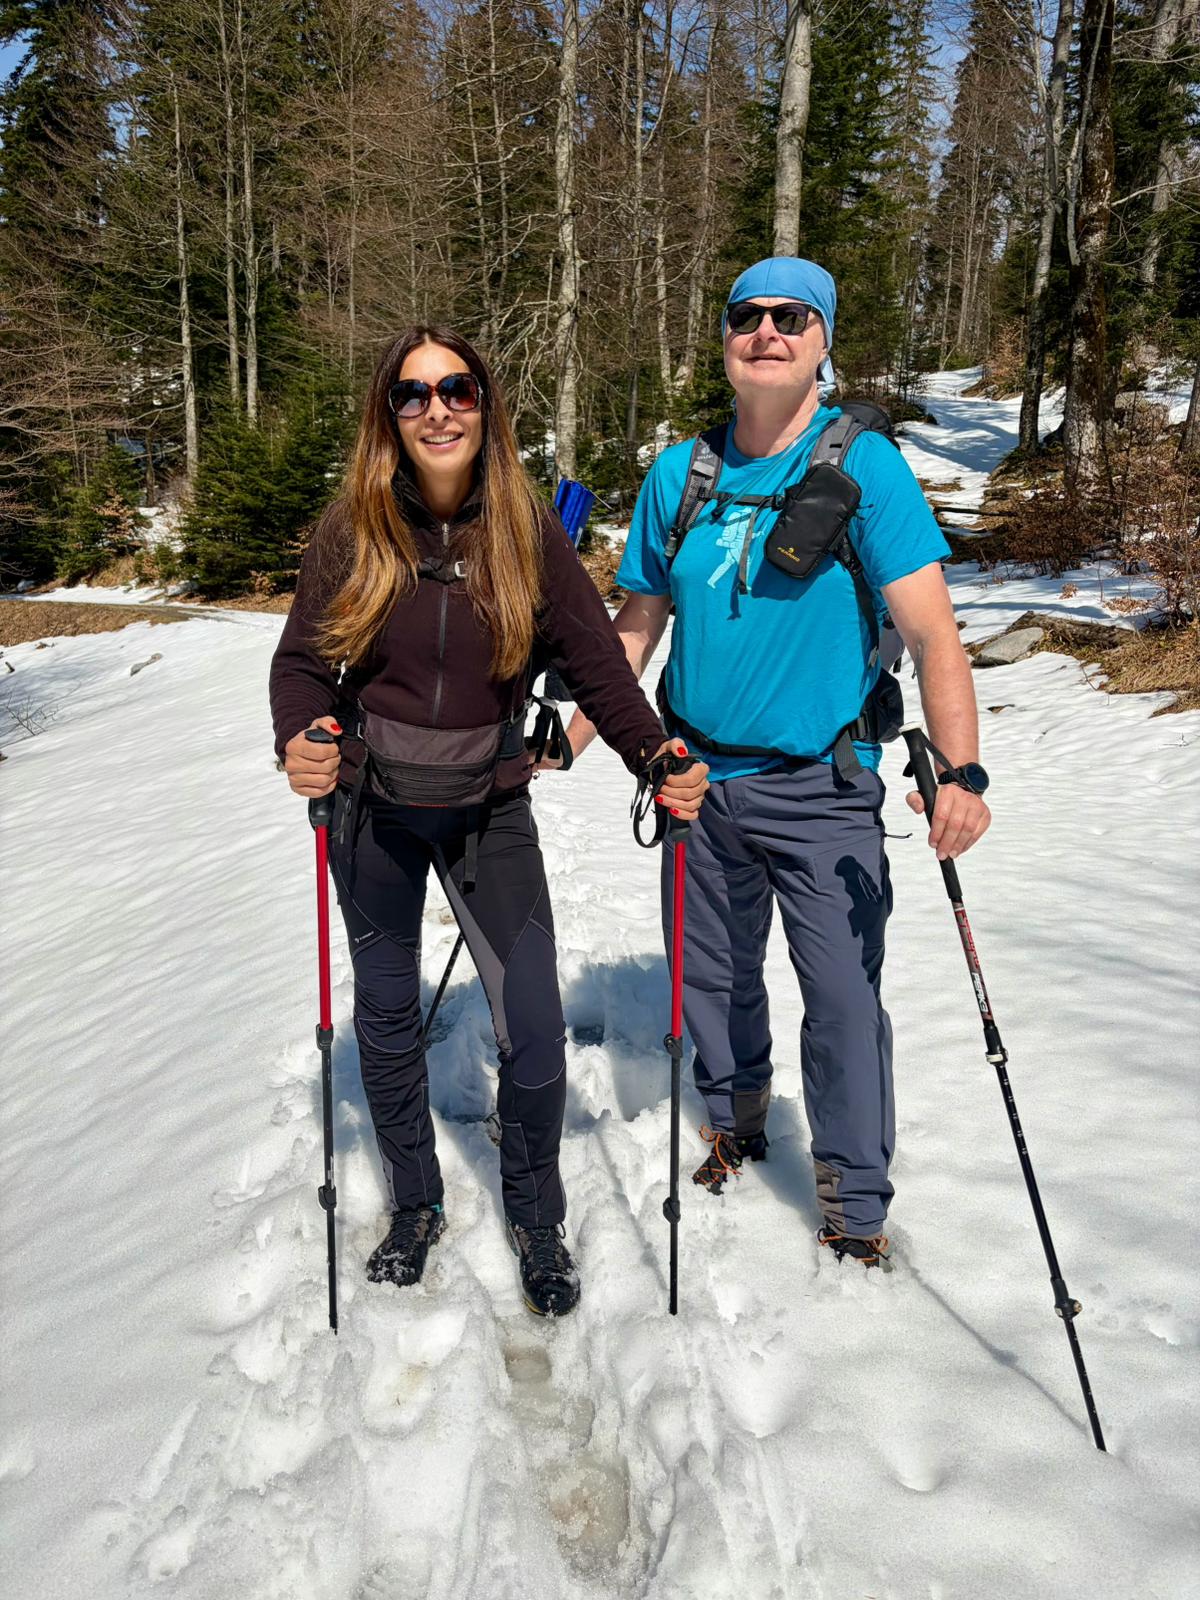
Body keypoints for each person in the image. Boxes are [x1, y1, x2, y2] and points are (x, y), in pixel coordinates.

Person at [269, 326, 707, 1315]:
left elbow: (597, 664)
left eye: (457, 388)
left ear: (485, 403)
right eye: (413, 393)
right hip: (371, 810)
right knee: (386, 1018)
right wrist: (301, 735)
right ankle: (414, 1202)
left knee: (536, 1026)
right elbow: (301, 663)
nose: (437, 409)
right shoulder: (352, 528)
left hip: (490, 811)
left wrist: (655, 755)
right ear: (389, 414)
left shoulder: (525, 529)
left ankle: (536, 1213)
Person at [565, 258, 991, 1267]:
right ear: (724, 337)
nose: (766, 331)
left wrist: (961, 771)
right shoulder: (680, 474)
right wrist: (565, 738)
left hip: (821, 787)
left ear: (822, 340)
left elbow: (933, 633)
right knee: (709, 978)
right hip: (691, 779)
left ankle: (854, 1198)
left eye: (791, 317)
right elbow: (635, 628)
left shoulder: (865, 468)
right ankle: (735, 1118)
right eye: (746, 315)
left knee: (841, 997)